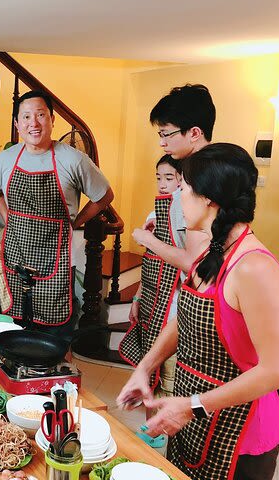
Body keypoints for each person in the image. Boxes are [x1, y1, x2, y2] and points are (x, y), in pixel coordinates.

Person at [117, 143, 279, 480]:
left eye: (182, 188)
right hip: (194, 417)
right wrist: (145, 367)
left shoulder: (254, 267)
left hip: (240, 432)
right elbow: (185, 320)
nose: (177, 198)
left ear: (209, 198)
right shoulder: (213, 252)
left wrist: (193, 405)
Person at [0, 91, 113, 335]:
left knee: (52, 338)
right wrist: (9, 220)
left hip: (55, 258)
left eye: (40, 115)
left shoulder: (74, 160)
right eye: (26, 117)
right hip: (16, 255)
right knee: (11, 331)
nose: (33, 123)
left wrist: (75, 222)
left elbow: (104, 196)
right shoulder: (5, 159)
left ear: (52, 119)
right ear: (17, 124)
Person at [119, 155, 183, 447]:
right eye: (159, 177)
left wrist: (148, 241)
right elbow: (150, 261)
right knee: (150, 368)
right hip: (152, 300)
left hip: (175, 306)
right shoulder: (154, 212)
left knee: (168, 369)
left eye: (169, 178)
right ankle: (150, 426)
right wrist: (137, 295)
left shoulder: (185, 215)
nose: (162, 183)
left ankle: (162, 432)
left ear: (183, 180)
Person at [132, 84, 215, 272]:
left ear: (194, 133)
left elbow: (192, 261)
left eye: (166, 134)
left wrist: (148, 241)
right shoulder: (197, 167)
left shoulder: (202, 175)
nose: (162, 142)